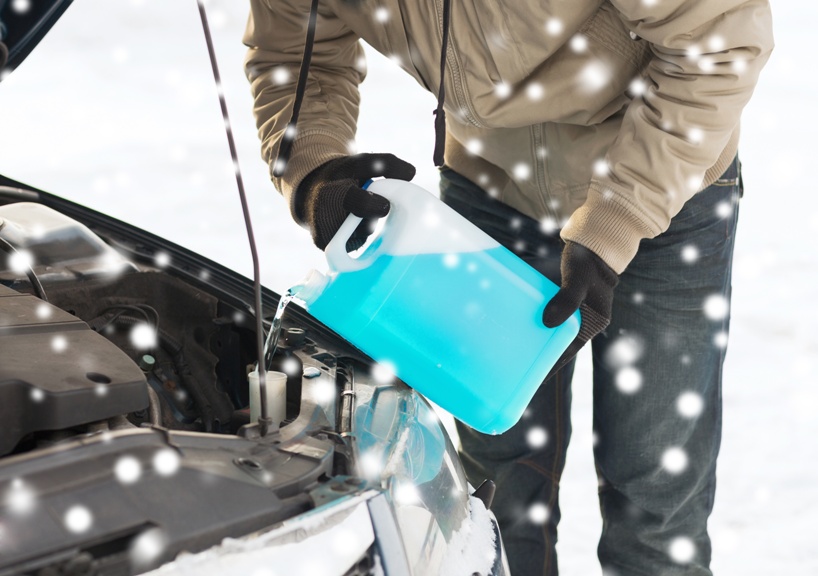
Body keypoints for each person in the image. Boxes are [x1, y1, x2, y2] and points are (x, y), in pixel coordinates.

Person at [243, 1, 773, 574]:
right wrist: (316, 167)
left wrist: (616, 223)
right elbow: (296, 51)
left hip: (665, 186)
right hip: (489, 196)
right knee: (500, 491)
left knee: (655, 496)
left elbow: (718, 45)